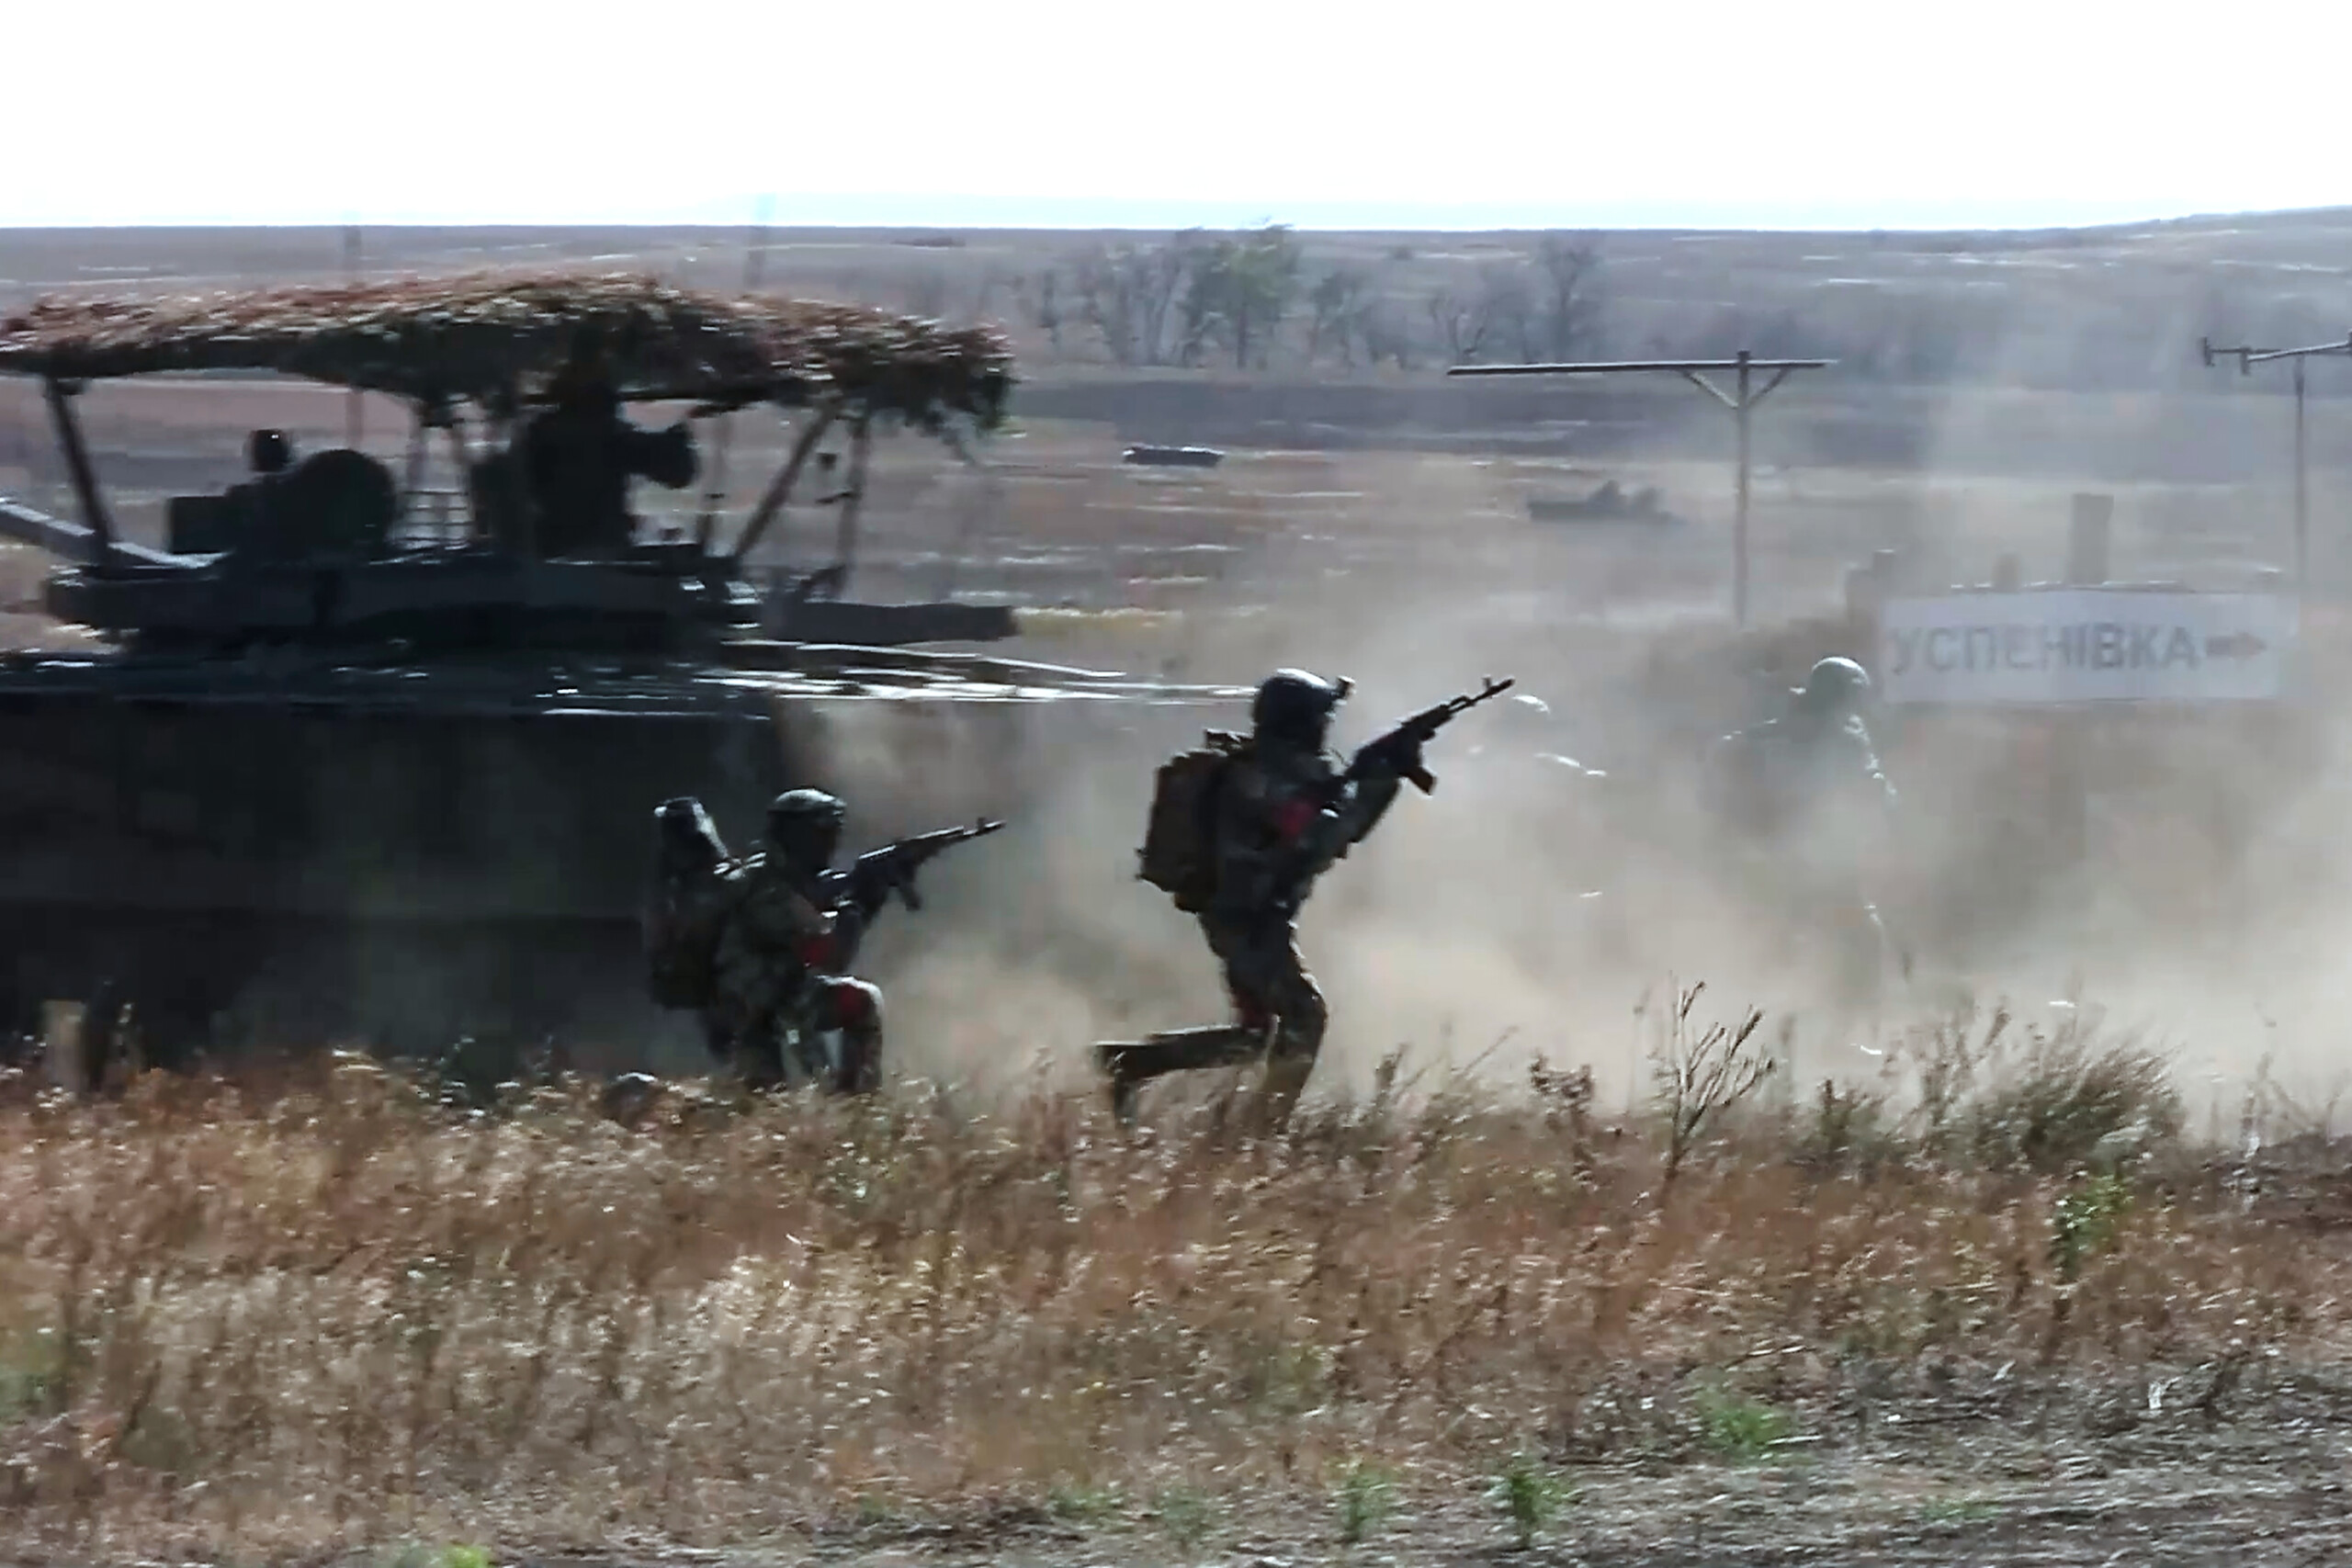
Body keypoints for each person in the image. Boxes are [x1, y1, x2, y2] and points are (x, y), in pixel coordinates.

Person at [1097, 669, 1409, 1130]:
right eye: (1321, 719)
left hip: (1252, 918)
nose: (1326, 729)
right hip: (1248, 923)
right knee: (1305, 1019)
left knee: (1256, 1037)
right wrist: (1380, 783)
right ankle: (1262, 1131)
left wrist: (1376, 776)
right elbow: (1325, 836)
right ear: (1299, 723)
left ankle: (1131, 1064)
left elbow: (1331, 824)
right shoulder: (1259, 780)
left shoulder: (1276, 773)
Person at [1703, 654, 1905, 1017]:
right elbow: (1874, 791)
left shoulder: (1769, 732)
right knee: (1862, 941)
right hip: (1814, 859)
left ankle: (1756, 1022)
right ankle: (1849, 1025)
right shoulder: (1844, 739)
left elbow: (1721, 762)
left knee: (1777, 943)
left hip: (1761, 857)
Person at [705, 789, 887, 1095]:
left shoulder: (784, 878)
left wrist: (863, 905)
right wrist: (857, 909)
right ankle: (845, 1102)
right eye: (824, 835)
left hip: (778, 999)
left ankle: (856, 1098)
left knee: (862, 1001)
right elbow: (831, 957)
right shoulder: (767, 889)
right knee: (782, 1096)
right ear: (799, 837)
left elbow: (823, 937)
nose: (831, 845)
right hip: (755, 1011)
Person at [520, 337, 698, 557]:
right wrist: (678, 431)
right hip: (594, 552)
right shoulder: (607, 436)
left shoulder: (538, 433)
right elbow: (678, 471)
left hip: (553, 551)